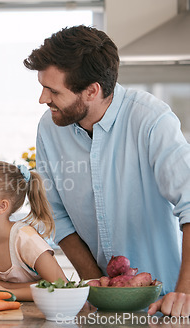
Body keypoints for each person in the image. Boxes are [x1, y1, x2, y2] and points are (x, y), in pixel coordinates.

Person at [23, 25, 190, 316]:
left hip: (166, 303)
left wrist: (185, 292)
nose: (42, 99)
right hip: (104, 307)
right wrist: (96, 285)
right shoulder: (50, 129)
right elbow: (57, 217)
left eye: (53, 90)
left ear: (92, 90)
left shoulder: (151, 120)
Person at [0, 160, 68, 301]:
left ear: (2, 206)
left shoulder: (26, 239)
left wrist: (6, 292)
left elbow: (62, 286)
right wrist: (35, 286)